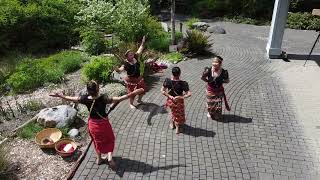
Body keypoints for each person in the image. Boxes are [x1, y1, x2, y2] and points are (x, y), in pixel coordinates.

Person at [49, 80, 143, 169]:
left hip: (92, 125)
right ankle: (109, 157)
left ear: (88, 91)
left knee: (95, 141)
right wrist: (134, 93)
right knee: (110, 139)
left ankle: (99, 159)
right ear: (98, 89)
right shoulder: (103, 98)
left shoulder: (84, 99)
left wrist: (60, 96)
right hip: (103, 124)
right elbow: (119, 98)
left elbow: (72, 98)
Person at [115, 36, 147, 109]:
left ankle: (139, 100)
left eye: (132, 54)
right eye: (130, 55)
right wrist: (117, 69)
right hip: (131, 80)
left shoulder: (135, 57)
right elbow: (121, 69)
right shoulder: (126, 64)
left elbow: (140, 49)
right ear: (127, 57)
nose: (132, 55)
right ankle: (131, 104)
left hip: (138, 78)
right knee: (132, 93)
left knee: (143, 89)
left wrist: (143, 42)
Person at [161, 67, 191, 134]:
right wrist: (181, 97)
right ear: (180, 74)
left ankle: (172, 123)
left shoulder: (167, 81)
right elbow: (189, 94)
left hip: (170, 100)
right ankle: (178, 127)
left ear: (172, 73)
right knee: (179, 114)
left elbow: (162, 91)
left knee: (172, 112)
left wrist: (169, 96)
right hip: (179, 101)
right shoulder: (183, 83)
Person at [201, 56, 230, 121]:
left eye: (216, 62)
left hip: (219, 90)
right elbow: (202, 77)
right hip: (210, 90)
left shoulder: (224, 72)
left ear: (220, 64)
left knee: (218, 104)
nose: (214, 63)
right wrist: (208, 81)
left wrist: (221, 81)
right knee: (210, 103)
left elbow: (227, 80)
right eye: (213, 61)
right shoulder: (208, 70)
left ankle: (217, 114)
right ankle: (210, 112)